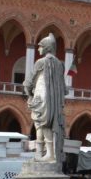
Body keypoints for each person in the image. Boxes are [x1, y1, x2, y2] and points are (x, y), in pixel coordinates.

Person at [25, 32, 67, 164]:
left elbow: (30, 81)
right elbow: (64, 88)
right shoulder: (60, 64)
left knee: (41, 124)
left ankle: (45, 153)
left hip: (41, 96)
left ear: (47, 47)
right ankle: (46, 153)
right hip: (54, 100)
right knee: (46, 124)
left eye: (40, 46)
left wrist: (28, 92)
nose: (38, 49)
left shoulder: (40, 62)